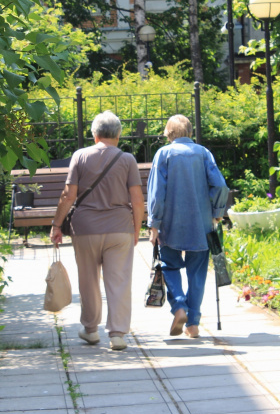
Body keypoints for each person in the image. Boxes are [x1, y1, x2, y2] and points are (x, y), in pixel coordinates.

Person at [50, 111, 145, 351]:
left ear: (94, 134)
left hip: (85, 229)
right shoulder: (127, 160)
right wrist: (136, 230)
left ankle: (90, 330)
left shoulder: (80, 156)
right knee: (119, 281)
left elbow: (68, 195)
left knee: (88, 280)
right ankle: (118, 335)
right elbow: (137, 201)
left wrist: (56, 224)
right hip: (119, 228)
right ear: (119, 134)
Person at [147, 114, 229, 338]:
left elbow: (156, 193)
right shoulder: (203, 153)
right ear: (190, 132)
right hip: (201, 224)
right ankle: (193, 324)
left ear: (168, 133)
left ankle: (179, 307)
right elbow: (220, 185)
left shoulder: (163, 154)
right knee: (197, 273)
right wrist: (217, 212)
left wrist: (154, 224)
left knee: (169, 266)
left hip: (170, 224)